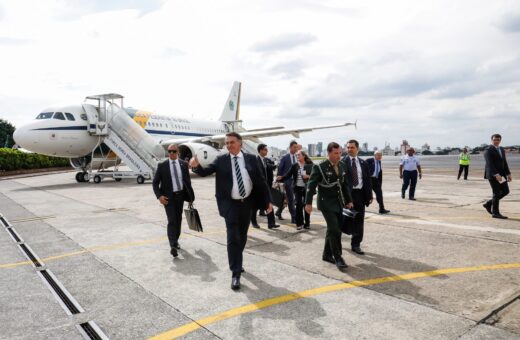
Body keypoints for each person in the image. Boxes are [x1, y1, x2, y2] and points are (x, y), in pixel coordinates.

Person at [189, 132, 273, 290]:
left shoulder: (251, 159)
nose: (228, 145)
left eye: (232, 142)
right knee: (233, 237)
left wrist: (267, 201)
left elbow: (261, 181)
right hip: (230, 205)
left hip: (247, 203)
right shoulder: (221, 160)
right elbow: (205, 172)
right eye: (227, 143)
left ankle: (237, 259)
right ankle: (235, 273)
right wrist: (196, 166)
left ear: (240, 143)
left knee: (242, 236)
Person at [305, 142, 353, 270]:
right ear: (329, 153)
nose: (339, 156)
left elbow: (344, 185)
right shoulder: (320, 167)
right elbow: (311, 185)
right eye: (335, 153)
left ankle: (326, 254)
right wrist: (308, 203)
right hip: (325, 203)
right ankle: (338, 257)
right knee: (334, 229)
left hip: (338, 202)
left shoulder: (342, 165)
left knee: (333, 229)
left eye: (340, 153)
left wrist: (348, 200)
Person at [152, 144, 195, 259]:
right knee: (172, 220)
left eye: (174, 151)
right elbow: (155, 183)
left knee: (179, 219)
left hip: (180, 196)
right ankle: (173, 245)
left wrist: (190, 197)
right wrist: (159, 196)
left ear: (178, 152)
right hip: (168, 199)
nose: (171, 153)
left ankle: (175, 241)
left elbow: (187, 182)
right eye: (170, 151)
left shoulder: (183, 164)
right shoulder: (162, 166)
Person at [342, 140, 373, 255]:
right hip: (347, 194)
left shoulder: (363, 163)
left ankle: (356, 244)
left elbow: (367, 180)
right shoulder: (342, 162)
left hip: (360, 194)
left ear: (357, 149)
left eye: (352, 147)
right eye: (348, 147)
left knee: (359, 221)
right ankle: (335, 241)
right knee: (343, 219)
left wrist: (369, 195)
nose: (350, 149)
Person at [277, 150, 312, 230]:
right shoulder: (295, 165)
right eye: (296, 155)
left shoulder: (310, 164)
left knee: (306, 205)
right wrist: (281, 177)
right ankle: (299, 224)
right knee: (298, 205)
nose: (297, 156)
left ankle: (307, 223)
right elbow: (288, 174)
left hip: (307, 188)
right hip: (297, 188)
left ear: (303, 156)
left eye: (299, 155)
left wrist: (308, 176)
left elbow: (314, 175)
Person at [483, 134, 512, 219]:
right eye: (495, 139)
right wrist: (496, 174)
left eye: (498, 140)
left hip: (501, 175)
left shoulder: (501, 149)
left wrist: (508, 173)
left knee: (506, 191)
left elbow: (504, 162)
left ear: (500, 140)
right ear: (491, 140)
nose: (496, 141)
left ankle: (489, 203)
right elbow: (489, 164)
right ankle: (495, 213)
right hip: (493, 175)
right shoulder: (488, 150)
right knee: (496, 193)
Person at [251, 144, 280, 229]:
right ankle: (253, 222)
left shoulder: (265, 160)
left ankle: (271, 224)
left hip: (266, 186)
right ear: (260, 150)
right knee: (255, 206)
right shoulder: (256, 160)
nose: (267, 151)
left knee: (269, 204)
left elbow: (269, 168)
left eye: (267, 149)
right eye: (265, 149)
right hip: (258, 188)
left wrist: (276, 165)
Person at [276, 141, 299, 222]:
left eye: (297, 147)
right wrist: (280, 181)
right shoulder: (285, 158)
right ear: (290, 148)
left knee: (286, 199)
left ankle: (278, 212)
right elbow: (280, 169)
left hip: (296, 181)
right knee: (291, 199)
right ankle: (294, 217)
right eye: (294, 147)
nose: (296, 149)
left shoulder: (297, 157)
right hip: (287, 181)